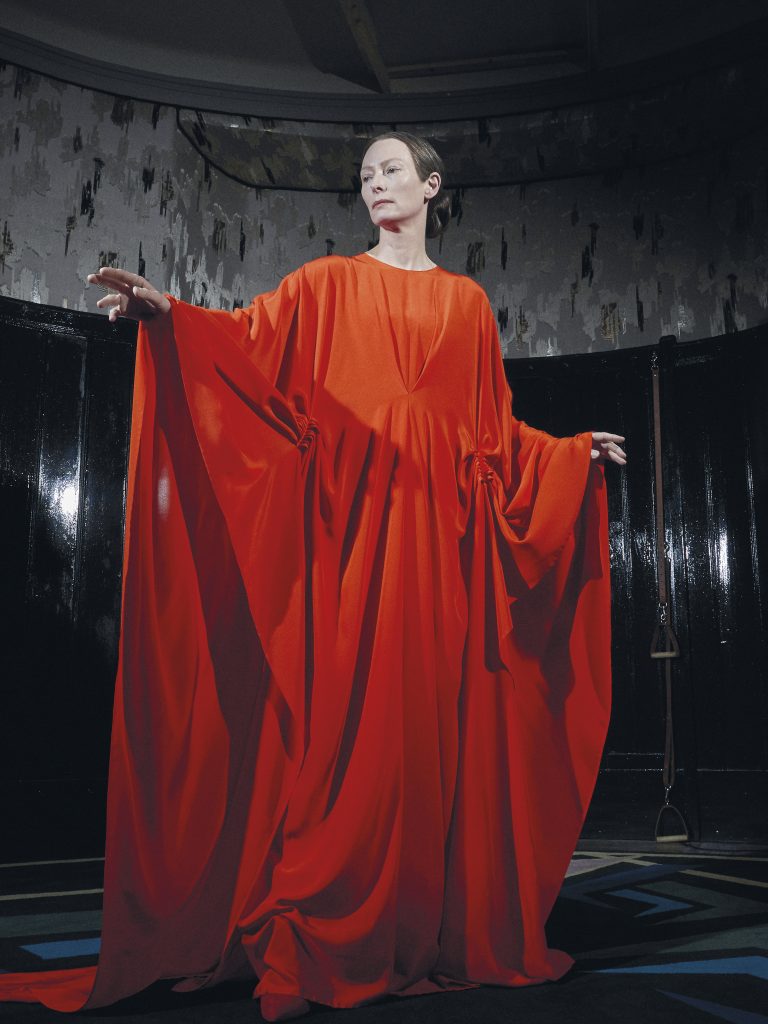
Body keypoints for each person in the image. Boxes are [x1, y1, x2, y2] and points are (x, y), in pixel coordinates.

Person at [0, 132, 625, 1022]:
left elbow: (493, 436)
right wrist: (169, 315)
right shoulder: (326, 285)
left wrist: (567, 455)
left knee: (425, 748)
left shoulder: (469, 304)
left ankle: (417, 930)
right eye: (364, 175)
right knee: (339, 746)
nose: (374, 184)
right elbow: (247, 344)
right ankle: (315, 932)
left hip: (440, 562)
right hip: (350, 554)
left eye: (391, 170)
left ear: (432, 186)